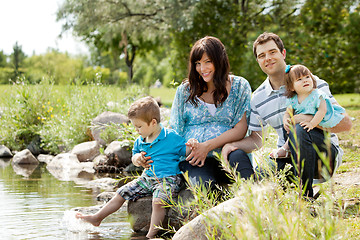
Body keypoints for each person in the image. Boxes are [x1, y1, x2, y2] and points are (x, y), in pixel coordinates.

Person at [222, 32, 352, 198]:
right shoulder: (258, 98)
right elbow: (256, 139)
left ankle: (306, 197)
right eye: (262, 55)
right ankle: (253, 199)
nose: (267, 58)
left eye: (272, 52)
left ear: (283, 53)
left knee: (299, 129)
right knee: (256, 175)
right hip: (288, 157)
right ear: (258, 62)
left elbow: (346, 124)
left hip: (323, 155)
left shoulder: (309, 82)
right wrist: (233, 145)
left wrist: (307, 120)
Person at [76, 96, 197, 239]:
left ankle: (151, 235)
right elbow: (134, 157)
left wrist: (192, 144)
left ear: (153, 123)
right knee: (121, 192)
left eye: (139, 127)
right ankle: (97, 218)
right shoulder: (141, 140)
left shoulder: (170, 137)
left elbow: (186, 150)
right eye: (135, 127)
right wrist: (138, 159)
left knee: (158, 202)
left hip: (168, 178)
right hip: (147, 178)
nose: (137, 130)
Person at [170, 36, 252, 189]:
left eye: (208, 62)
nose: (203, 69)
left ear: (219, 60)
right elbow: (175, 130)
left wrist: (207, 146)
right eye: (198, 63)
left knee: (242, 166)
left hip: (228, 154)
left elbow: (241, 130)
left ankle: (256, 203)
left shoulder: (240, 86)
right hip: (195, 159)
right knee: (206, 187)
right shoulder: (184, 91)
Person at [270, 64, 346, 159]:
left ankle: (286, 148)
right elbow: (287, 113)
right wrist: (286, 120)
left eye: (307, 77)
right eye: (299, 79)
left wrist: (312, 124)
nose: (305, 80)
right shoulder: (293, 99)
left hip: (319, 124)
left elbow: (322, 111)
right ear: (291, 87)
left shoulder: (318, 95)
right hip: (304, 128)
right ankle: (287, 149)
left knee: (299, 127)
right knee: (294, 127)